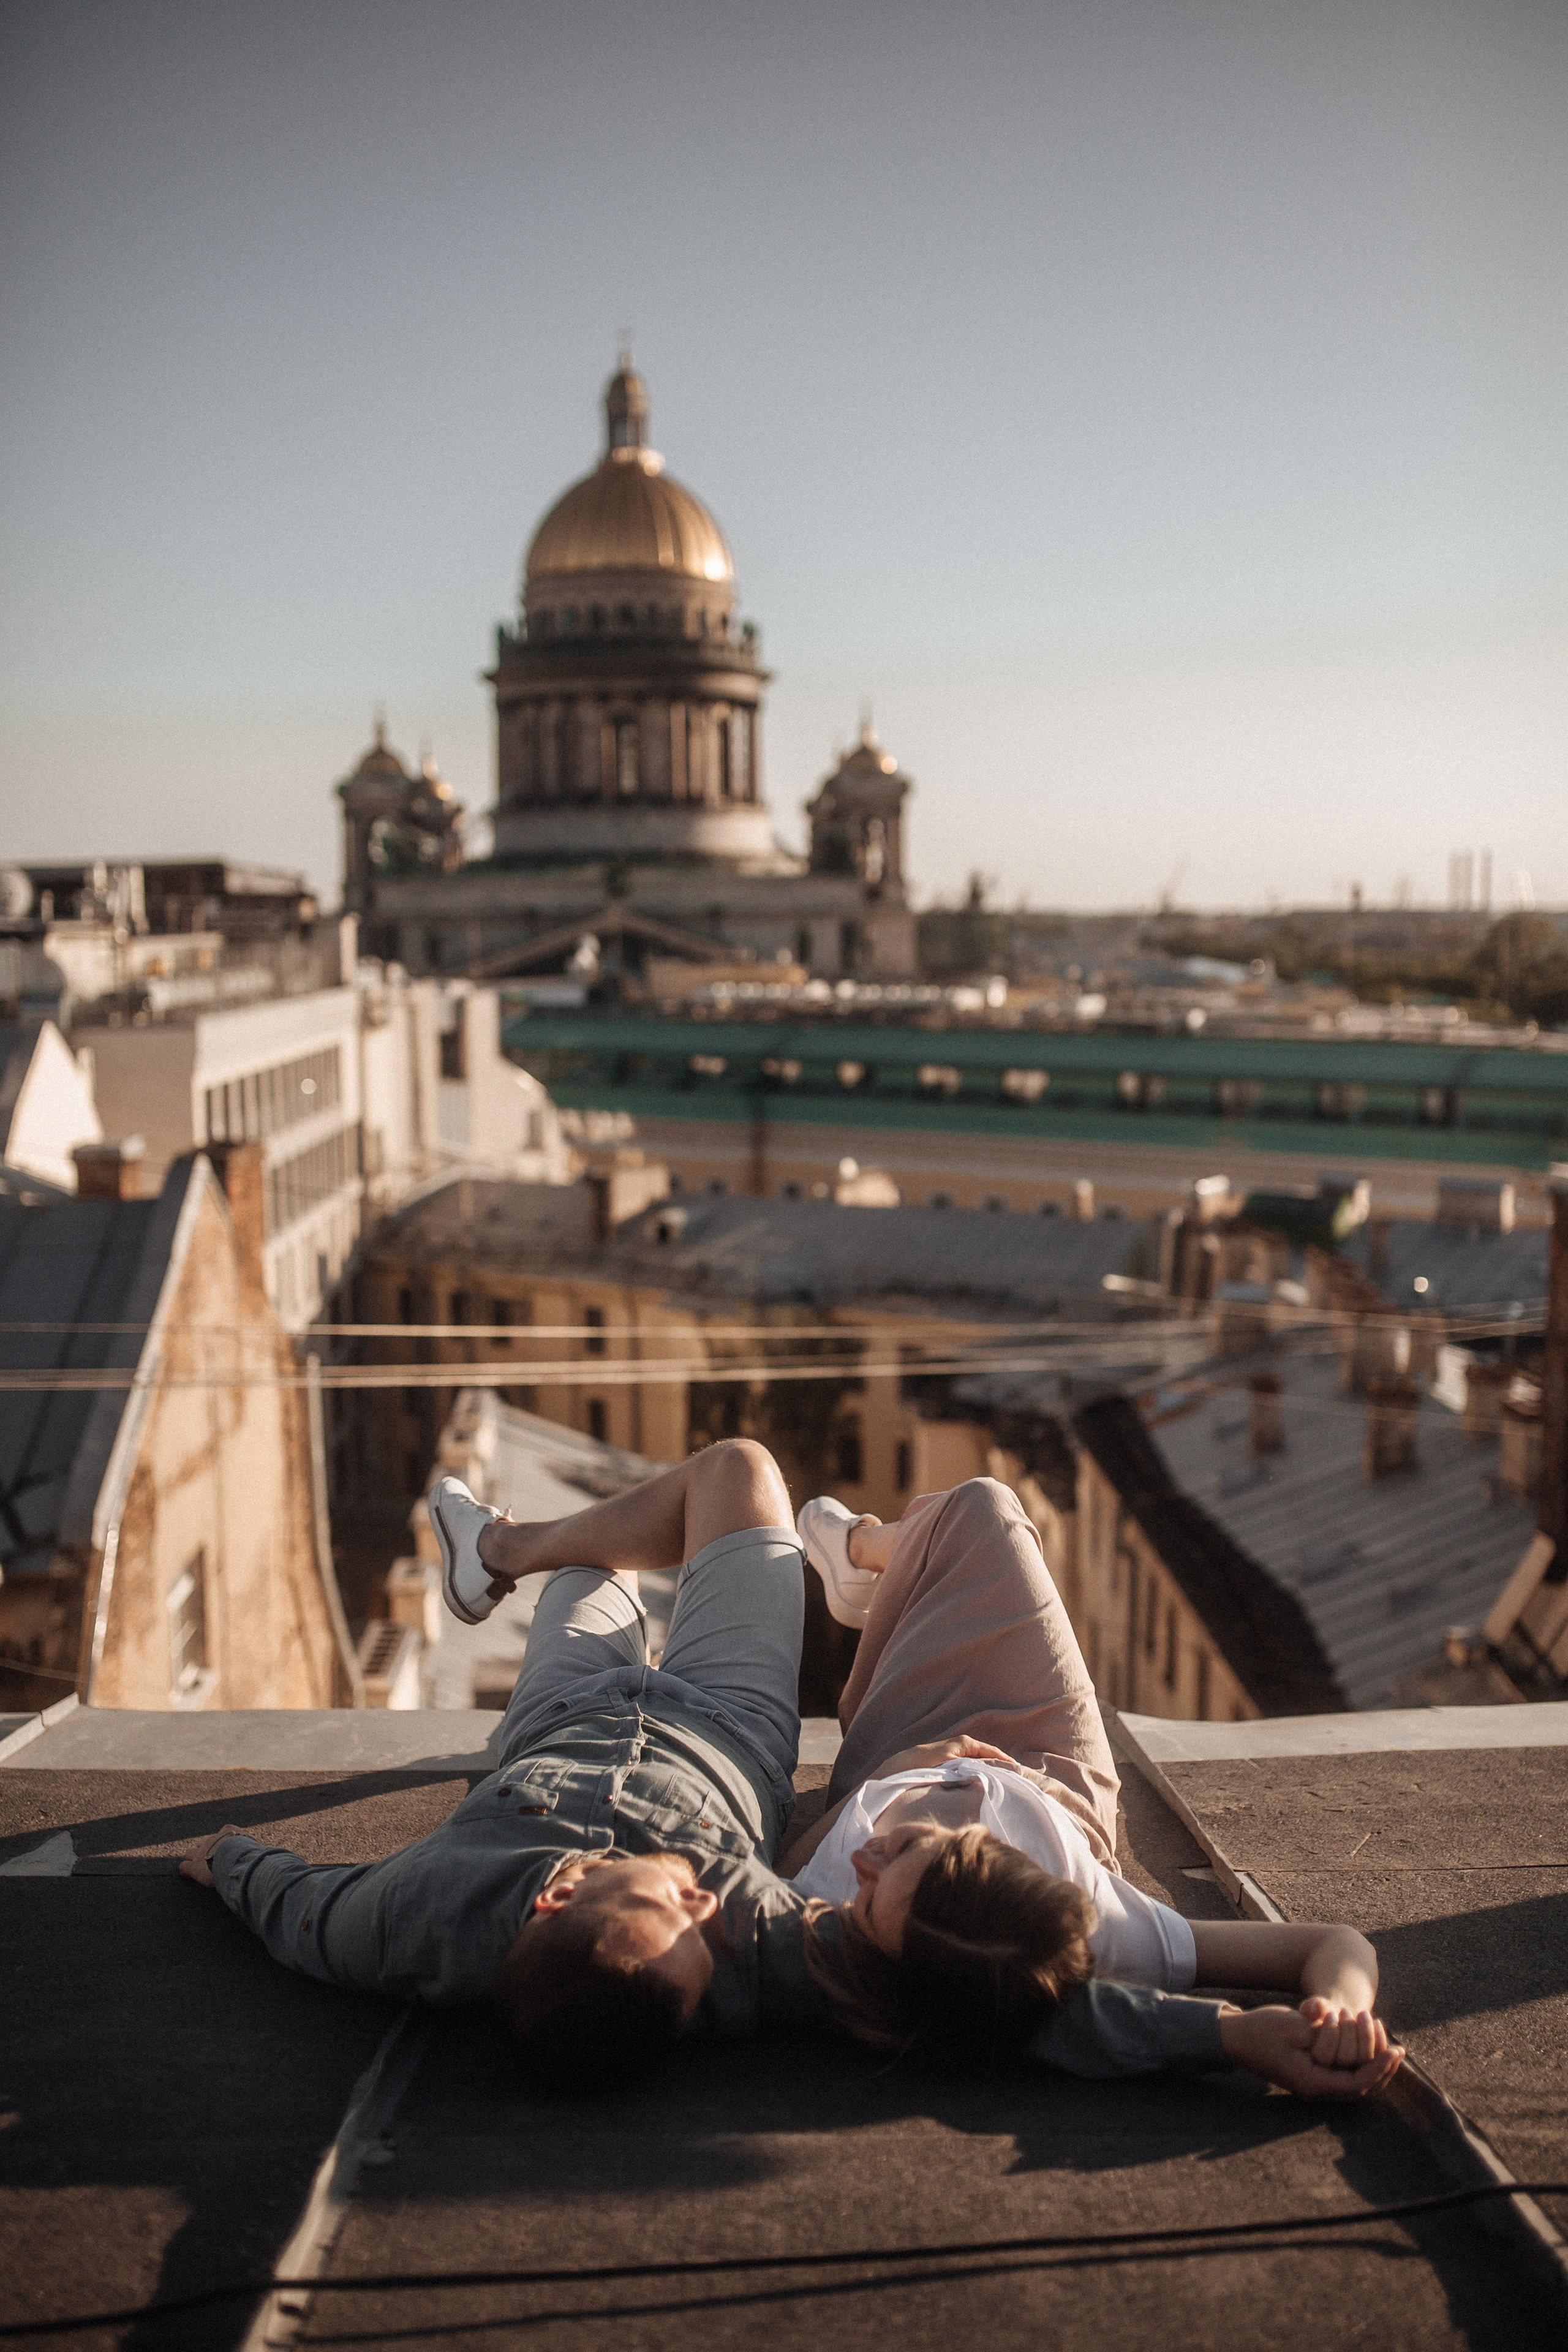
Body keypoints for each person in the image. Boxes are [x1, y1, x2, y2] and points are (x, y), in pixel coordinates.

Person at [180, 1442, 1398, 2102]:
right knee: (858, 1492)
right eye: (698, 1916)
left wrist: (215, 1860)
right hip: (760, 1723)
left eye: (682, 1907)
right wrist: (1235, 2042)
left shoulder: (417, 1915)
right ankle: (834, 1560)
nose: (720, 1895)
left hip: (555, 1723)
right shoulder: (770, 1948)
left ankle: (498, 1554)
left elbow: (299, 1908)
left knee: (599, 1571)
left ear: (557, 1892)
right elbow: (1035, 2008)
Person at [782, 1478, 1401, 2090]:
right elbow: (1329, 1944)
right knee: (986, 1506)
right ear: (992, 1859)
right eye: (907, 1850)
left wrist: (894, 1773)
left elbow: (785, 1871)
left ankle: (860, 1551)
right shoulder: (1102, 1925)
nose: (865, 1859)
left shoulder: (833, 1911)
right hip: (1053, 1770)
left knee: (971, 1519)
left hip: (900, 1753)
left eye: (867, 1896)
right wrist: (1342, 2009)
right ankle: (871, 1557)